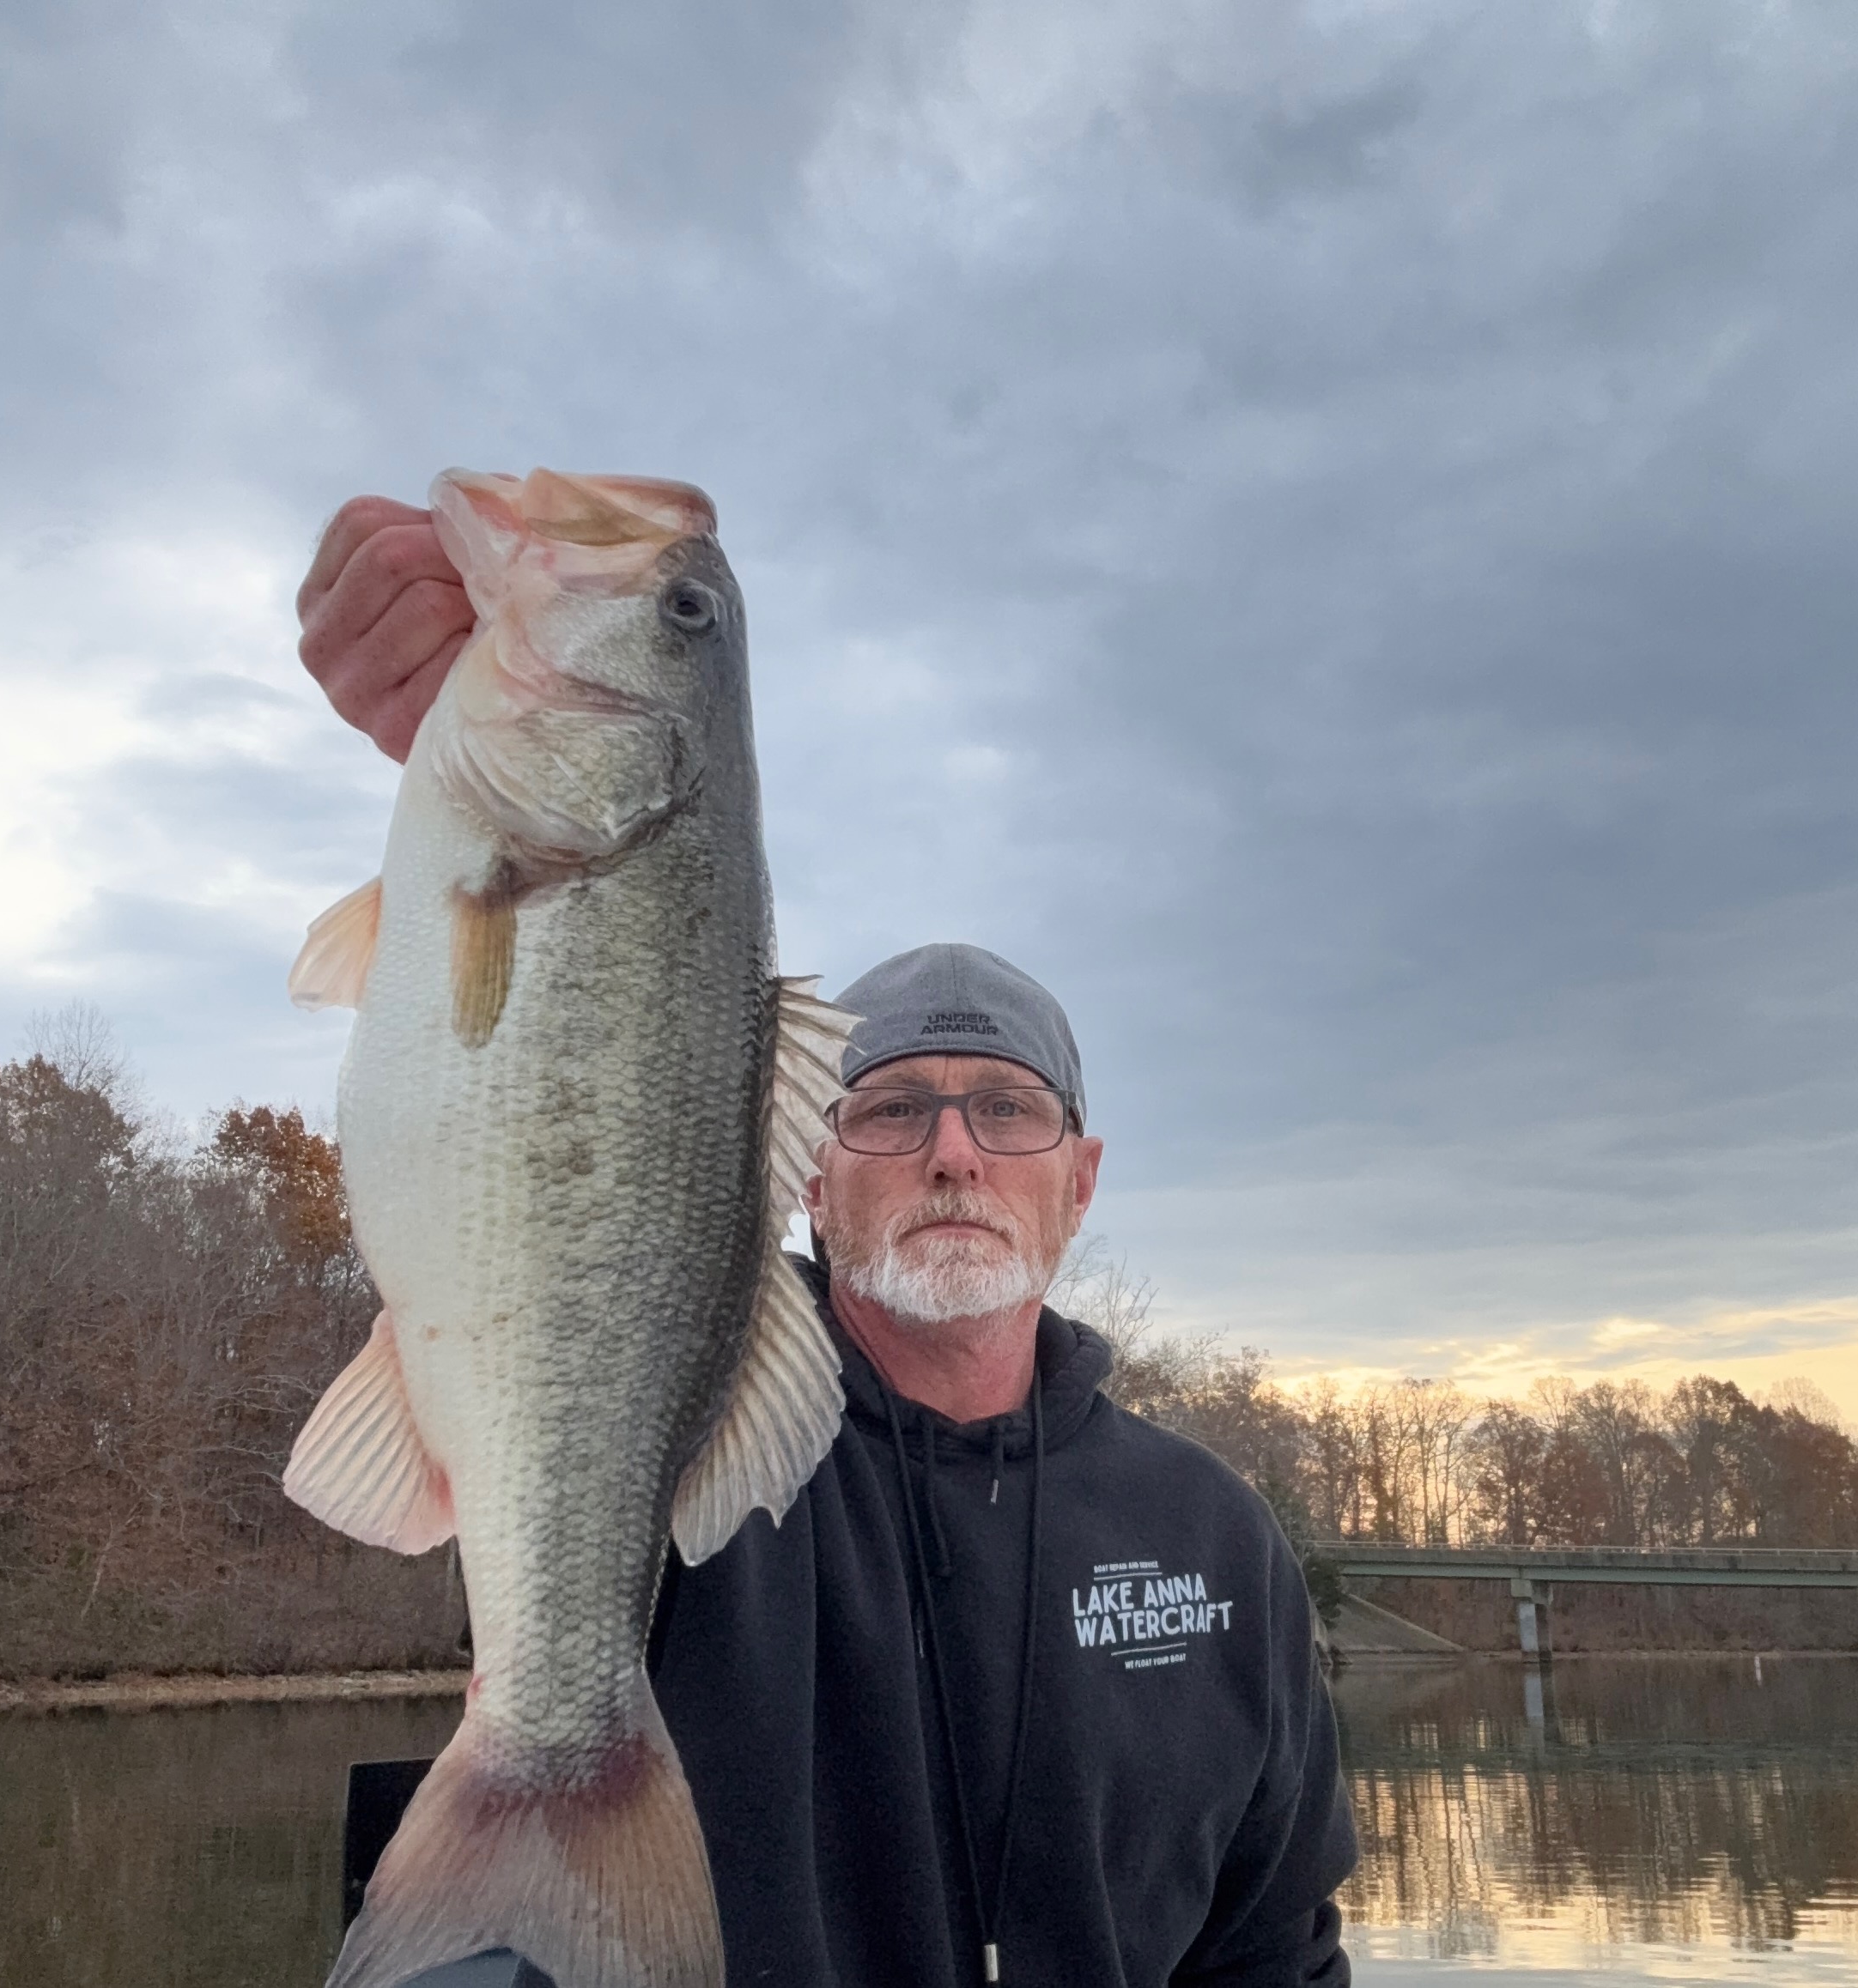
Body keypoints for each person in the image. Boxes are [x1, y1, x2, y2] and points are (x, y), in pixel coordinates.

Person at [300, 500, 1357, 1988]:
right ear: (804, 1169)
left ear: (1080, 1183)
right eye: (894, 1109)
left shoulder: (1215, 1537)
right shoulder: (704, 1447)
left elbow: (1274, 1946)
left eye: (1007, 1111)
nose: (952, 1152)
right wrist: (467, 741)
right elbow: (550, 1147)